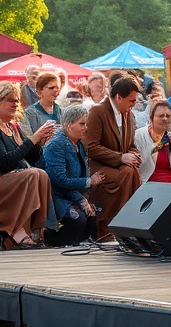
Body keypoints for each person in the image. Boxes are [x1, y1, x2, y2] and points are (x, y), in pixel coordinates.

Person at [0, 81, 57, 248]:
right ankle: (18, 231)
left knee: (40, 174)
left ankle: (35, 230)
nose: (16, 104)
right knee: (32, 174)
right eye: (10, 100)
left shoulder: (11, 126)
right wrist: (33, 138)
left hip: (7, 178)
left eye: (17, 100)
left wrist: (38, 143)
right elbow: (5, 162)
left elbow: (29, 159)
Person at [85, 74, 144, 238]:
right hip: (98, 165)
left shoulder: (128, 115)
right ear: (118, 97)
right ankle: (108, 225)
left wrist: (134, 155)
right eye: (131, 100)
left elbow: (131, 145)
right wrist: (121, 157)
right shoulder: (97, 111)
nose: (134, 104)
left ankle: (124, 224)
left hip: (119, 166)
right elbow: (91, 147)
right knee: (126, 173)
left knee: (130, 171)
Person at [42, 105, 105, 246]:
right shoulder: (56, 145)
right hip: (54, 194)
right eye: (82, 124)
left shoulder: (78, 144)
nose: (86, 128)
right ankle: (50, 241)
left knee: (92, 216)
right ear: (70, 124)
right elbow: (59, 180)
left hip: (70, 193)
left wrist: (83, 198)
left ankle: (76, 243)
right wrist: (88, 184)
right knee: (79, 220)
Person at [135, 99, 171, 184]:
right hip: (147, 185)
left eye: (168, 116)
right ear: (151, 118)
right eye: (161, 116)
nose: (165, 119)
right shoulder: (139, 136)